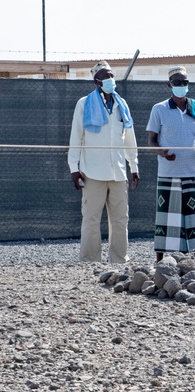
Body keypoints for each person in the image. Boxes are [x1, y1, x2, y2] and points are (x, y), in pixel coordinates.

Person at [68, 60, 139, 263]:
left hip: (118, 172)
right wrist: (74, 168)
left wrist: (133, 166)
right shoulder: (84, 104)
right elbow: (76, 138)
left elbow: (129, 138)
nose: (110, 79)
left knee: (120, 220)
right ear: (96, 81)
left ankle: (119, 260)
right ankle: (90, 261)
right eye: (105, 76)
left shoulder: (121, 105)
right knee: (91, 220)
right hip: (92, 173)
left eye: (111, 76)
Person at [146, 66, 195, 262]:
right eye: (177, 83)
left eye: (185, 82)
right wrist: (161, 153)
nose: (182, 86)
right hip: (169, 172)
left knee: (193, 217)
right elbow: (152, 140)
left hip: (193, 170)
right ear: (169, 85)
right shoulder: (159, 109)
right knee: (167, 217)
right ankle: (160, 260)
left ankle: (194, 259)